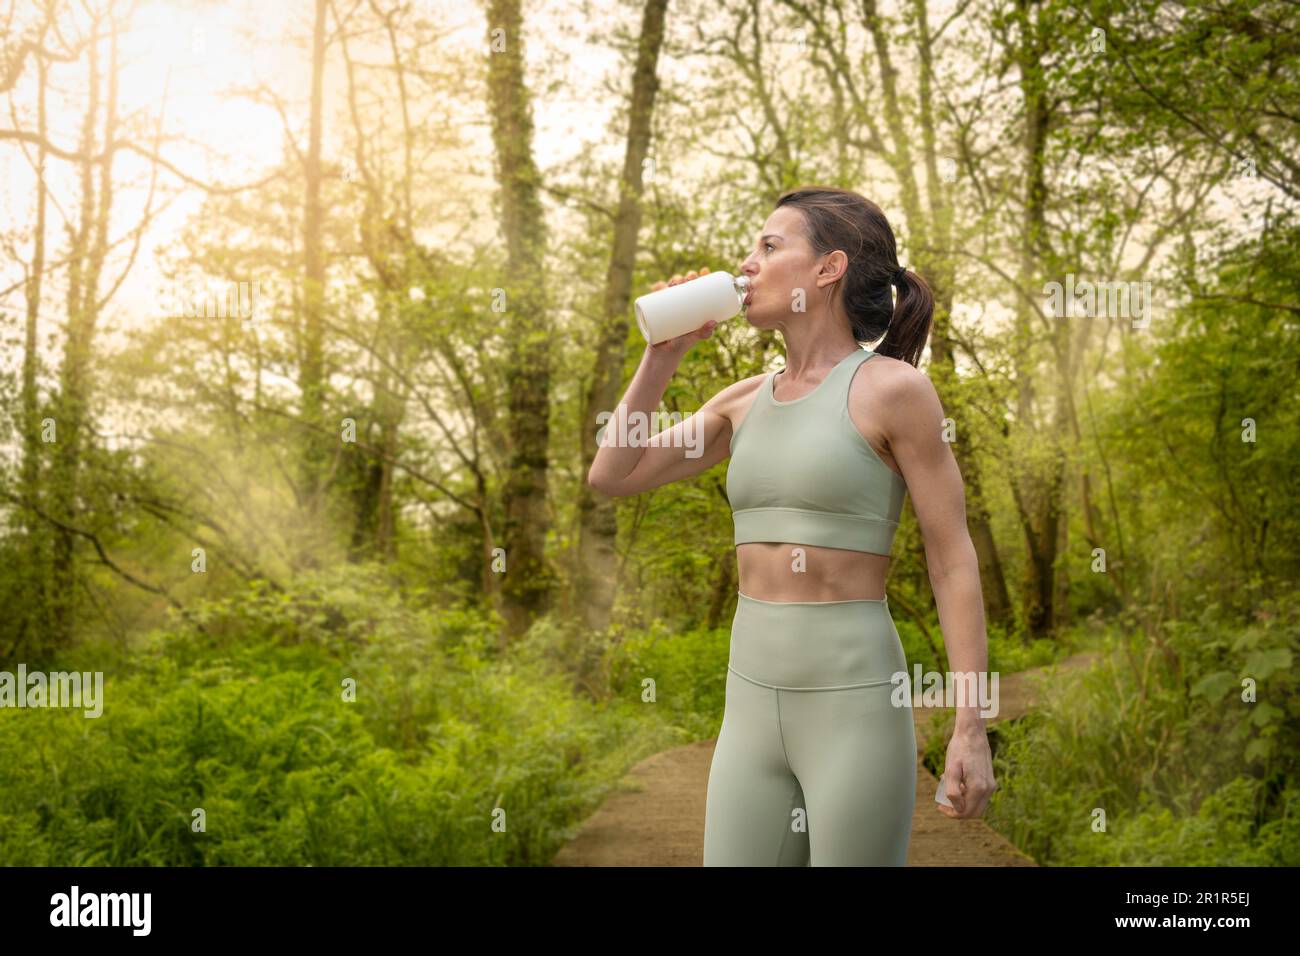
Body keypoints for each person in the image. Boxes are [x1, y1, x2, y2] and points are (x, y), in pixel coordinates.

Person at [587, 185, 996, 866]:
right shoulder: (742, 402)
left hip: (855, 710)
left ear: (828, 269)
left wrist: (970, 725)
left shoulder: (894, 391)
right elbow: (613, 473)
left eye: (769, 246)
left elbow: (952, 559)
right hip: (749, 710)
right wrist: (661, 355)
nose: (746, 264)